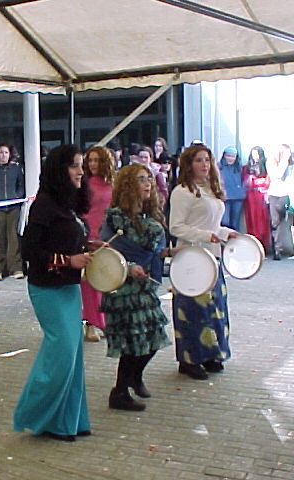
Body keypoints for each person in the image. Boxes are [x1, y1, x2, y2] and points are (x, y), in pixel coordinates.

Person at [13, 144, 93, 442]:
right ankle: (34, 414)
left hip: (68, 288)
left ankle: (68, 422)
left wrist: (88, 248)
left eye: (81, 165)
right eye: (75, 166)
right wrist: (68, 260)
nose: (81, 172)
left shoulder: (66, 204)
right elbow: (30, 251)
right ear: (60, 170)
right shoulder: (44, 205)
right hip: (47, 288)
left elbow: (65, 240)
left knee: (73, 356)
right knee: (61, 353)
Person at [100, 164, 173, 411]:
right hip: (123, 288)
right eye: (141, 179)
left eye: (148, 179)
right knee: (132, 343)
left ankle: (135, 377)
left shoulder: (149, 214)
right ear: (128, 185)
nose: (147, 184)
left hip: (145, 286)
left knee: (153, 337)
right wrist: (129, 266)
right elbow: (107, 251)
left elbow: (153, 251)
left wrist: (170, 252)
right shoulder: (114, 217)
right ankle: (119, 392)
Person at [169, 144, 238, 380]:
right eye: (199, 160)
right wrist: (205, 236)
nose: (204, 165)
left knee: (213, 307)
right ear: (188, 165)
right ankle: (190, 359)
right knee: (193, 309)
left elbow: (213, 225)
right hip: (191, 257)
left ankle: (211, 354)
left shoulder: (210, 189)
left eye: (207, 160)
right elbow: (176, 227)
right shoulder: (182, 192)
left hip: (212, 256)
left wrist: (227, 233)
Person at [80, 146, 114, 342]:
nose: (93, 164)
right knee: (90, 282)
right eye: (90, 160)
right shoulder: (84, 184)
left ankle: (104, 321)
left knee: (107, 279)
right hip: (89, 235)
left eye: (97, 160)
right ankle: (90, 323)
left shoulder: (113, 183)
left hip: (109, 236)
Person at [0, 144, 25, 280]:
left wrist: (17, 196)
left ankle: (15, 267)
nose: (3, 155)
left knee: (13, 238)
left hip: (13, 207)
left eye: (6, 153)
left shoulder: (16, 168)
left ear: (10, 154)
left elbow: (21, 185)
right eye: (1, 152)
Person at [266, 144, 294, 260]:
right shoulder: (271, 162)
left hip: (286, 195)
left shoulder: (291, 164)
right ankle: (277, 250)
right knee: (275, 223)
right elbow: (277, 175)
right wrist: (284, 162)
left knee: (285, 220)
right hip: (274, 194)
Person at [242, 146, 270, 249]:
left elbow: (267, 182)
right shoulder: (246, 168)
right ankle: (253, 243)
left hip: (262, 197)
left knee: (262, 220)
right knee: (251, 219)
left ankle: (263, 243)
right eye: (253, 154)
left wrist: (258, 183)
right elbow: (245, 182)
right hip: (250, 197)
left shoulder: (266, 167)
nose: (255, 157)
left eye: (257, 154)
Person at [219, 146, 246, 232]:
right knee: (225, 221)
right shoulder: (219, 167)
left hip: (237, 198)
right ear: (224, 156)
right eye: (228, 156)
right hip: (224, 198)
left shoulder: (239, 168)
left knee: (235, 223)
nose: (230, 158)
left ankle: (235, 239)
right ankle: (224, 238)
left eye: (233, 156)